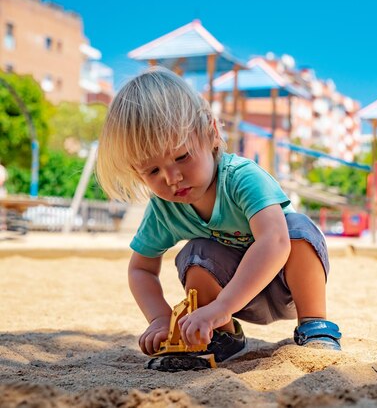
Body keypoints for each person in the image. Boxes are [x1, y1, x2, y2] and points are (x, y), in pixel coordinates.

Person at [95, 68, 341, 362]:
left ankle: (314, 324)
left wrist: (223, 304)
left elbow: (275, 242)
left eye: (181, 157)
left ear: (211, 133)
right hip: (231, 302)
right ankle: (223, 335)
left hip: (285, 285)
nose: (172, 177)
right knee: (196, 253)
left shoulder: (241, 178)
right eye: (153, 171)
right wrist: (159, 319)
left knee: (296, 229)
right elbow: (140, 269)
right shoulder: (164, 208)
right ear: (138, 173)